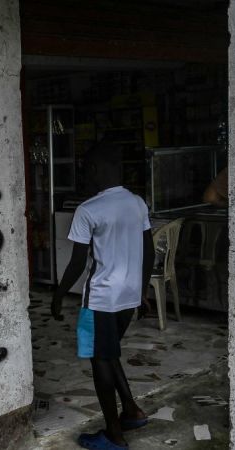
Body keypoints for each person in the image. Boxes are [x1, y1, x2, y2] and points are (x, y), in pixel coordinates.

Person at [51, 142, 155, 449]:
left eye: (86, 170)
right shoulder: (137, 202)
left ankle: (113, 434)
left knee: (100, 360)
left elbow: (76, 263)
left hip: (101, 299)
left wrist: (58, 295)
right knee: (109, 353)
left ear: (96, 169)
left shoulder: (89, 209)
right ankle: (132, 411)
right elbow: (148, 252)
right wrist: (142, 291)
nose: (85, 177)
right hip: (129, 295)